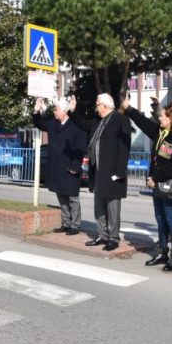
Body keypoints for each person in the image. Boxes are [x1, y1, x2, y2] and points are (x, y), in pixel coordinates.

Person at [122, 98, 172, 272]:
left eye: (163, 116)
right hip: (156, 184)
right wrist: (129, 109)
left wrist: (156, 177)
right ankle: (162, 252)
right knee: (160, 220)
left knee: (171, 221)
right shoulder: (160, 132)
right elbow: (143, 122)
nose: (159, 118)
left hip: (169, 186)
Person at [69, 93, 131, 252]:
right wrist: (72, 111)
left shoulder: (120, 120)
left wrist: (120, 172)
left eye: (97, 104)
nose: (95, 107)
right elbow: (82, 124)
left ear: (104, 106)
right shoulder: (98, 121)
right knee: (99, 207)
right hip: (97, 171)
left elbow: (124, 148)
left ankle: (113, 238)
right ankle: (102, 235)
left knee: (112, 207)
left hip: (112, 172)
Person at [32, 97, 87, 235]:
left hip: (70, 168)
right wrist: (36, 110)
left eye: (56, 109)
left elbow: (81, 147)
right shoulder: (53, 124)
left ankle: (75, 225)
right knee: (61, 196)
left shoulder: (75, 126)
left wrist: (76, 166)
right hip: (56, 167)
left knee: (72, 198)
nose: (54, 112)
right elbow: (39, 123)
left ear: (64, 111)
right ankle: (66, 223)